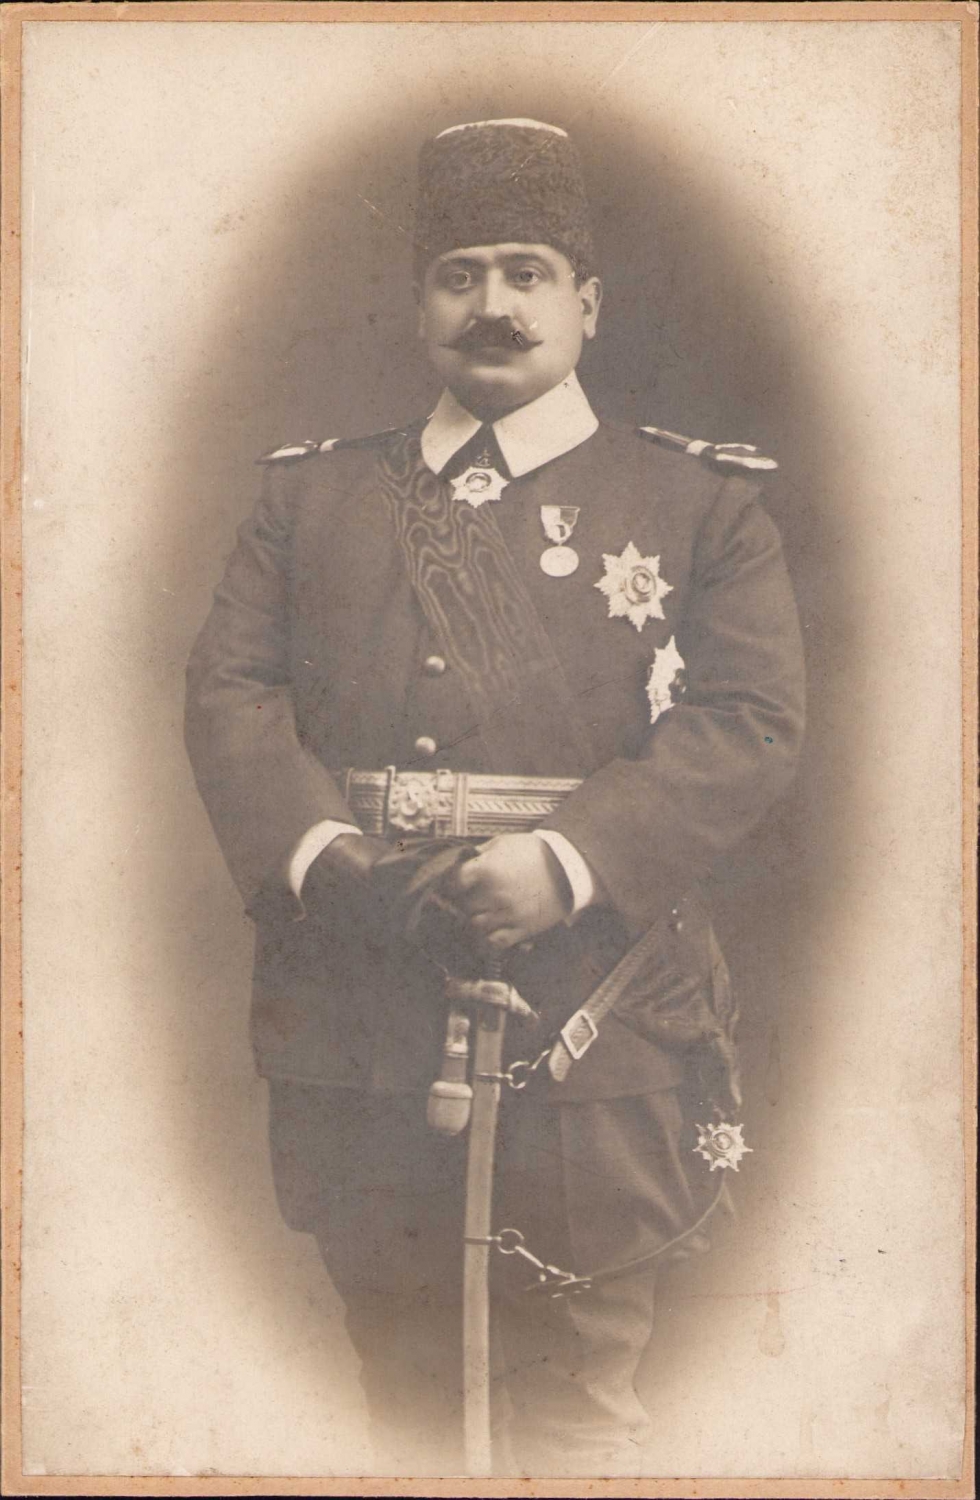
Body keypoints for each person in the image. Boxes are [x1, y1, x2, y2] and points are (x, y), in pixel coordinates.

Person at [185, 117, 805, 1478]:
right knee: (396, 1387)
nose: (494, 304)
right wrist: (326, 859)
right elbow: (231, 697)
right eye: (459, 274)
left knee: (576, 1397)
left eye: (529, 272)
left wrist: (568, 863)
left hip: (592, 1002)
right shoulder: (313, 500)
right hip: (358, 989)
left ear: (589, 304)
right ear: (420, 305)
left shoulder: (694, 504)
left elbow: (751, 722)